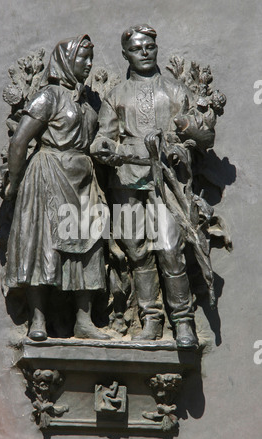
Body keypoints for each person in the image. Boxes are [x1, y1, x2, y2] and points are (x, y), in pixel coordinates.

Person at [90, 25, 215, 347]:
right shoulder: (115, 94)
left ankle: (183, 321)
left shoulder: (175, 91)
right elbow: (104, 135)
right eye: (136, 48)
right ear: (125, 55)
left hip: (166, 181)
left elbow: (197, 136)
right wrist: (104, 147)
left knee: (171, 250)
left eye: (149, 47)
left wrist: (178, 148)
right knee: (137, 252)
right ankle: (151, 319)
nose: (144, 52)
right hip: (127, 179)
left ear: (156, 49)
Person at [4, 35, 110, 342]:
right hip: (48, 175)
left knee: (89, 245)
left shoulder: (90, 101)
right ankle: (38, 319)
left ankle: (84, 320)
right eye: (83, 58)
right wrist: (13, 181)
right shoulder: (48, 96)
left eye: (91, 58)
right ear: (66, 60)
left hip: (83, 179)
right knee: (43, 245)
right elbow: (20, 141)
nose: (89, 64)